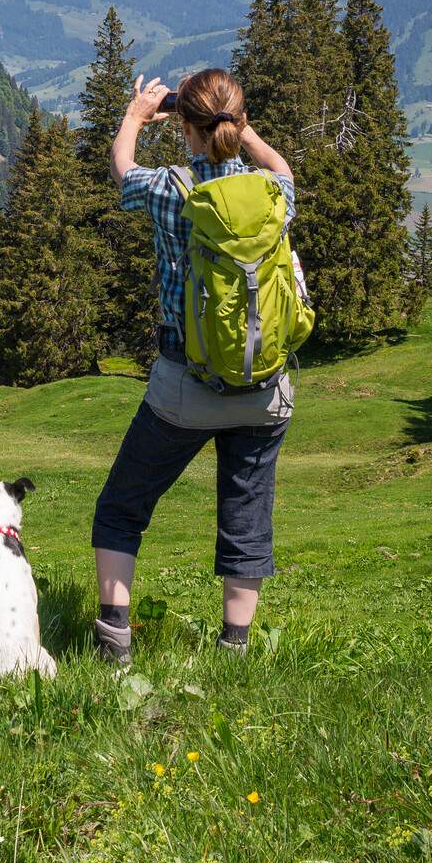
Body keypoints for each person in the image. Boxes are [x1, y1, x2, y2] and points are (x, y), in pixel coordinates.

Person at [90, 68, 297, 667]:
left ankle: (115, 640)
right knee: (246, 512)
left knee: (122, 505)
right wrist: (245, 131)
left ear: (184, 125)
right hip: (264, 389)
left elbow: (123, 171)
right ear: (236, 122)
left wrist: (134, 115)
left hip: (185, 385)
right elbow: (284, 169)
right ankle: (235, 651)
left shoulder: (169, 188)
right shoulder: (271, 194)